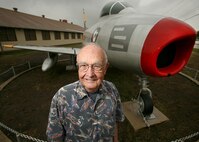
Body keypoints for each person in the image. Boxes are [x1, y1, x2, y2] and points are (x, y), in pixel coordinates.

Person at [46, 43, 125, 142]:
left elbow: (115, 122)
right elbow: (54, 137)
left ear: (105, 68)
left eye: (97, 66)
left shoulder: (112, 90)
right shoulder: (62, 97)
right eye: (84, 65)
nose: (90, 74)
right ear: (78, 67)